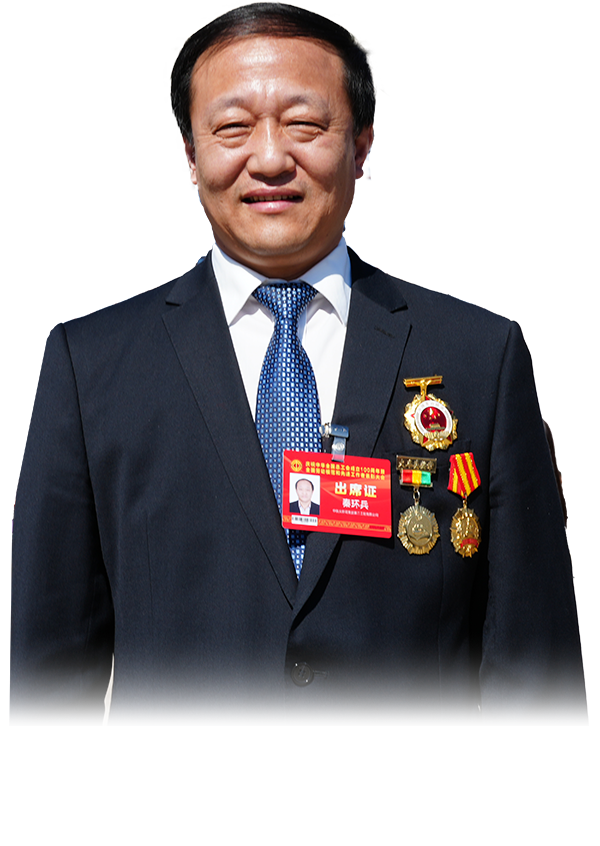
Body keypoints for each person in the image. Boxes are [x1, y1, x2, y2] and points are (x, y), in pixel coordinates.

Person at [9, 2, 587, 725]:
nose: (270, 158)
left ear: (363, 142)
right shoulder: (91, 366)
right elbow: (52, 673)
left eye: (305, 124)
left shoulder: (479, 357)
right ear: (190, 153)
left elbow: (534, 672)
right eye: (232, 127)